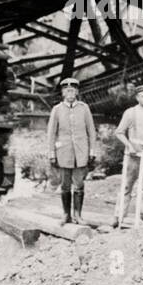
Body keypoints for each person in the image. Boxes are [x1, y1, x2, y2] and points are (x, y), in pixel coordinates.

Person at [46, 77, 97, 222]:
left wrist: (92, 151)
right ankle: (66, 215)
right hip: (63, 153)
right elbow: (51, 134)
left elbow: (92, 131)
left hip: (81, 152)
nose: (70, 93)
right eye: (67, 91)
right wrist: (51, 153)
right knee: (65, 185)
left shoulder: (84, 108)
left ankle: (78, 215)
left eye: (73, 91)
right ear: (62, 93)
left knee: (79, 184)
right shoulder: (57, 110)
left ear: (77, 92)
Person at [115, 84, 143, 222]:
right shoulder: (130, 112)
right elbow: (119, 132)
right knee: (127, 183)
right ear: (137, 97)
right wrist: (129, 146)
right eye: (142, 96)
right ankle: (119, 215)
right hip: (134, 152)